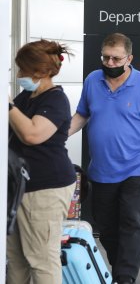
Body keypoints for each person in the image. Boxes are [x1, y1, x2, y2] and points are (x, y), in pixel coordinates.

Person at [69, 33, 140, 284]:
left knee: (132, 223)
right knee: (107, 229)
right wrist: (58, 135)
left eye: (116, 58)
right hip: (102, 170)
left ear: (129, 58)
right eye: (105, 57)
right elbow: (81, 115)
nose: (109, 62)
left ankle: (124, 278)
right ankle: (121, 272)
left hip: (137, 168)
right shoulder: (92, 80)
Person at [7, 40, 77, 284]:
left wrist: (7, 106)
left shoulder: (56, 100)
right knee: (15, 259)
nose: (18, 76)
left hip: (45, 189)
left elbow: (32, 134)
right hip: (21, 188)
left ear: (40, 72)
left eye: (23, 71)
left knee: (41, 259)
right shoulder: (27, 95)